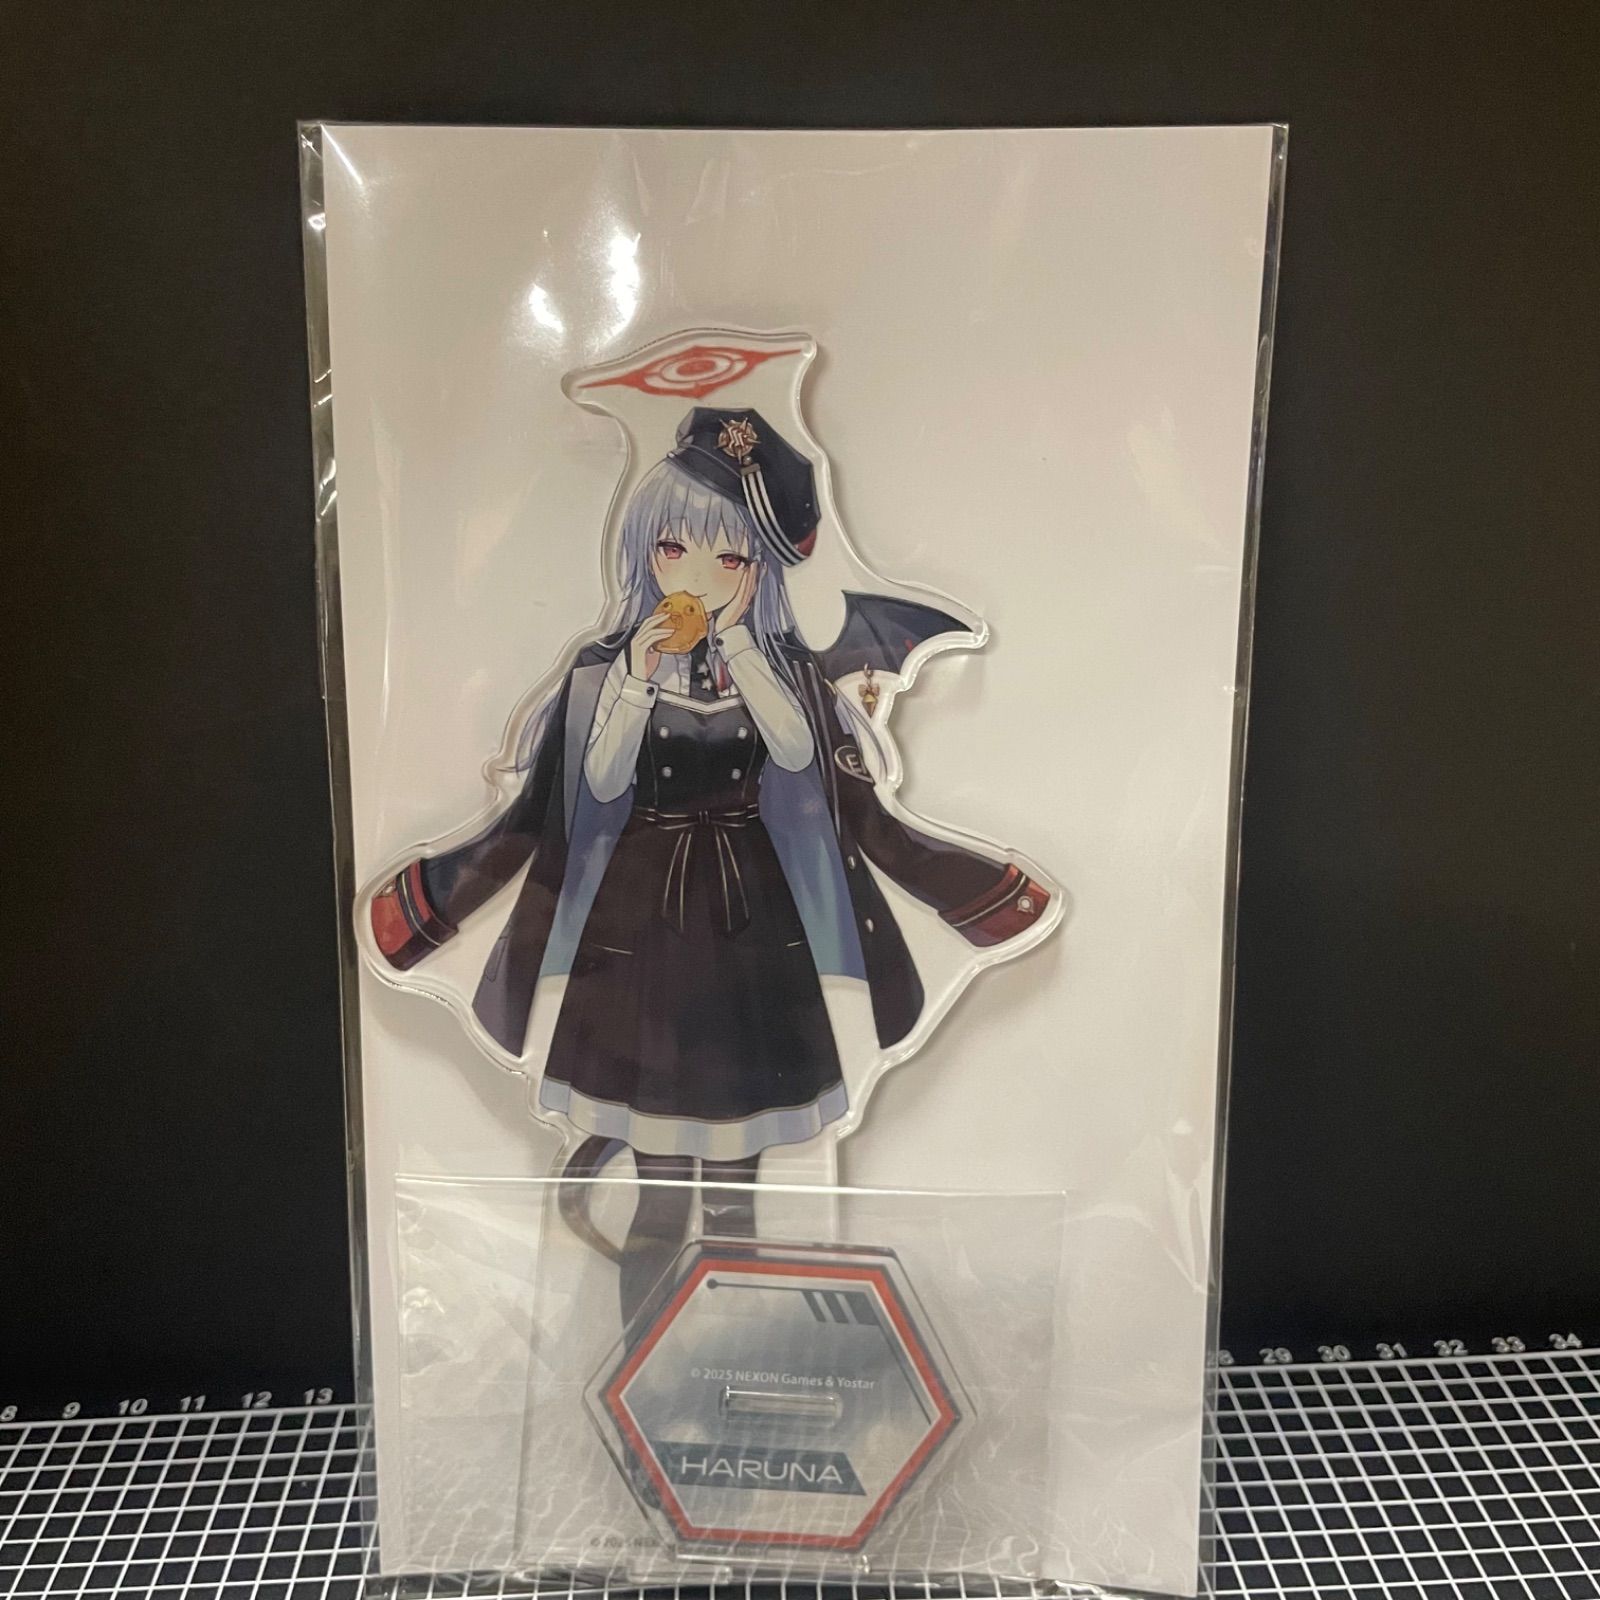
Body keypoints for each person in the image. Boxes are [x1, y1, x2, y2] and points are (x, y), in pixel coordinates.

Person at [369, 406, 1052, 1325]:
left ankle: (729, 1346)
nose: (695, 577)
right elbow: (592, 785)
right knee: (658, 1197)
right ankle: (639, 1361)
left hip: (749, 929)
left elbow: (805, 760)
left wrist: (734, 641)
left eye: (728, 559)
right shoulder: (608, 668)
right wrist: (638, 674)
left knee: (735, 1194)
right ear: (645, 553)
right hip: (639, 932)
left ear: (757, 571)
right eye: (674, 551)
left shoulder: (781, 671)